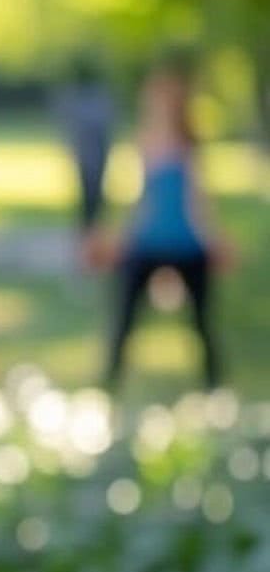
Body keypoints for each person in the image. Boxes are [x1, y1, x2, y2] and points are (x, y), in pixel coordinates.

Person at [100, 60, 234, 391]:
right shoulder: (143, 143)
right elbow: (135, 198)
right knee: (125, 318)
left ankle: (213, 382)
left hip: (185, 241)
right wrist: (119, 237)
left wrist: (214, 239)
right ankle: (111, 378)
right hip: (147, 241)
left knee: (202, 321)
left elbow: (197, 201)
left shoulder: (189, 146)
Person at [54, 54, 115, 238]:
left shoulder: (93, 99)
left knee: (94, 199)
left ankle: (93, 235)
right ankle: (87, 236)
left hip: (93, 155)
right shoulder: (89, 99)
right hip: (88, 155)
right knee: (87, 200)